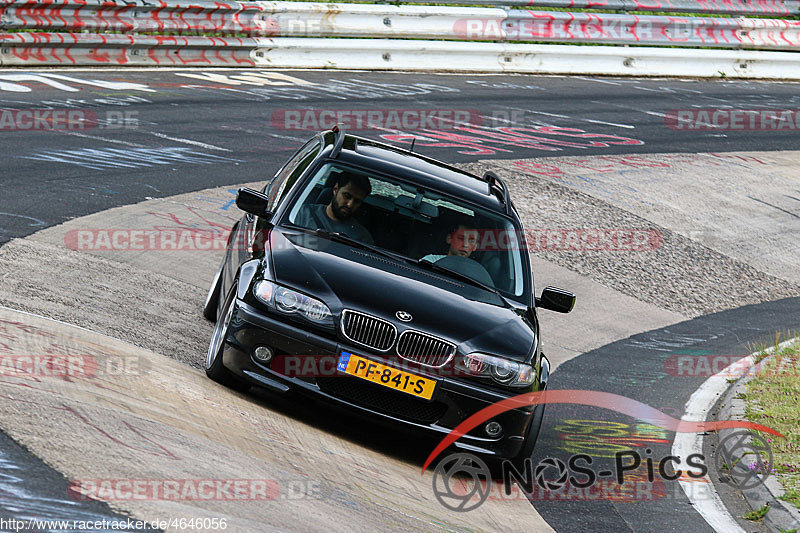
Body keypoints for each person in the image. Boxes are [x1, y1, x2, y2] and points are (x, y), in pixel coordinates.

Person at [295, 172, 374, 244]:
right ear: (336, 189)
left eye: (357, 201)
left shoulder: (362, 237)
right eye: (347, 196)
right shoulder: (302, 213)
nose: (350, 204)